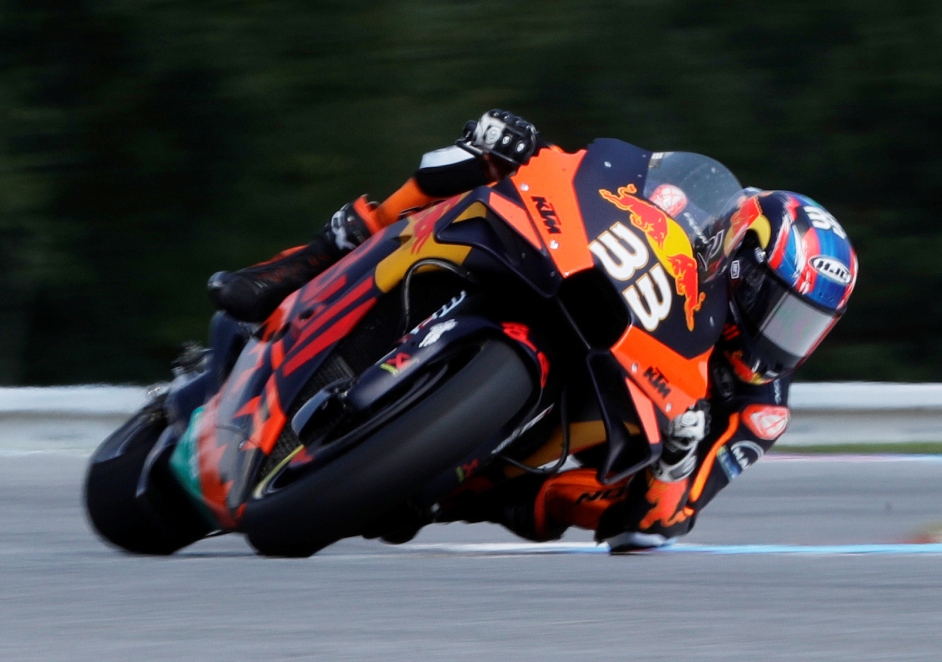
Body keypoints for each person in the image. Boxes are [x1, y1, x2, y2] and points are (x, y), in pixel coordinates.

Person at [208, 110, 858, 552]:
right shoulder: (697, 219)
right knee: (480, 159)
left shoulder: (760, 414)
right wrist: (528, 151)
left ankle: (452, 480)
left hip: (611, 427)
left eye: (805, 327)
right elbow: (622, 184)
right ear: (741, 264)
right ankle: (318, 253)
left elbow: (663, 522)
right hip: (591, 295)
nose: (783, 340)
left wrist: (676, 463)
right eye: (779, 310)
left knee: (599, 504)